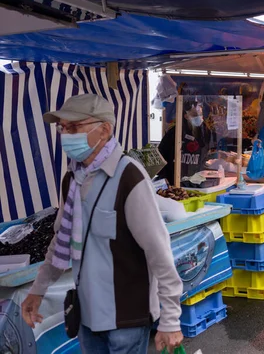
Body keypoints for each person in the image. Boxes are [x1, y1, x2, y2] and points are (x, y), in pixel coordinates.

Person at [22, 94, 184, 353]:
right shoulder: (72, 179)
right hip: (87, 316)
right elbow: (60, 241)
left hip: (127, 319)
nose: (66, 135)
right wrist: (37, 290)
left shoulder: (129, 177)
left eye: (74, 127)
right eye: (62, 128)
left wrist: (171, 319)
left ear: (104, 130)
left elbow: (159, 252)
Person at [158, 100, 213, 185]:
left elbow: (206, 154)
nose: (199, 117)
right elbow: (160, 156)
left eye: (200, 114)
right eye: (194, 115)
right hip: (174, 181)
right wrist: (164, 178)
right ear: (186, 116)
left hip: (197, 181)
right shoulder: (174, 133)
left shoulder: (206, 133)